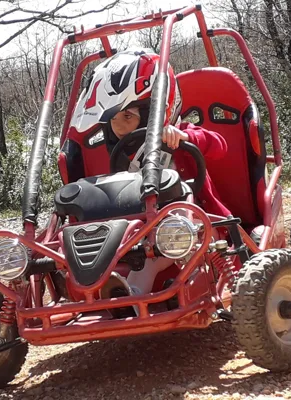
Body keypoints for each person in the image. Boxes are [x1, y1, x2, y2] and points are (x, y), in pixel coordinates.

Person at [71, 49, 230, 300]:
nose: (121, 127)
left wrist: (186, 137)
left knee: (163, 234)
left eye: (129, 116)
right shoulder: (122, 155)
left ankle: (131, 296)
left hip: (201, 225)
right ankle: (100, 288)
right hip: (147, 233)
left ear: (151, 112)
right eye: (115, 119)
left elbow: (220, 146)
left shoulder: (178, 134)